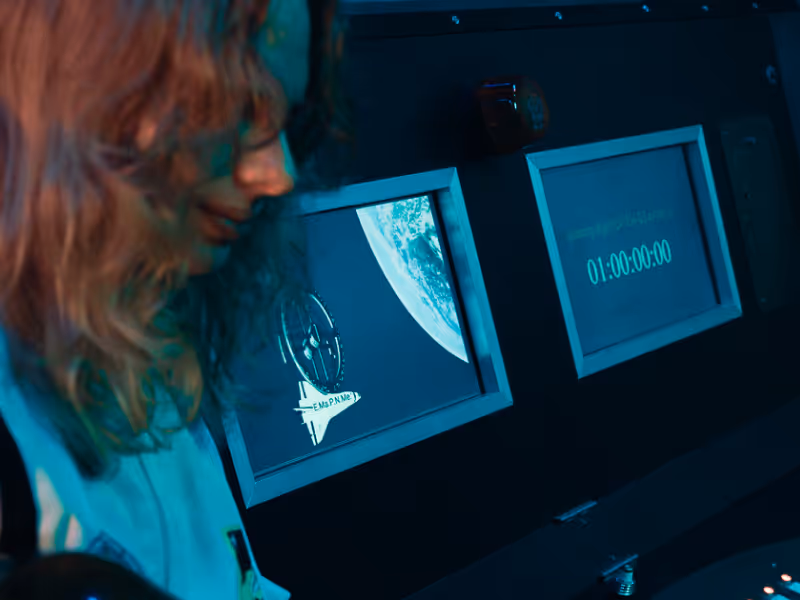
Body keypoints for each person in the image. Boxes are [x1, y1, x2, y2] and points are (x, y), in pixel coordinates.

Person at [0, 0, 350, 597]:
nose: (279, 174)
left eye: (284, 122)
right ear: (90, 92)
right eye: (239, 114)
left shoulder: (139, 333)